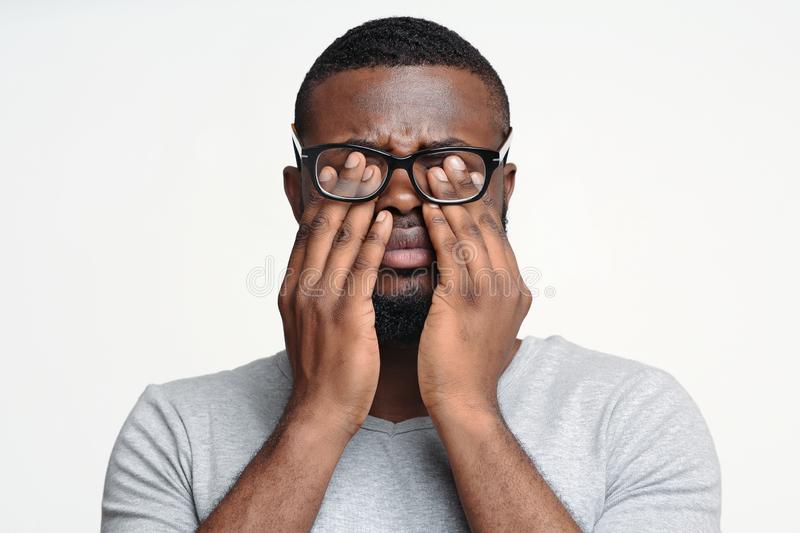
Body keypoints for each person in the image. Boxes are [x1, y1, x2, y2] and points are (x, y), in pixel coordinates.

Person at [101, 16, 721, 532]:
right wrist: (318, 413)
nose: (401, 197)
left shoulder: (634, 414)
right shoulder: (176, 427)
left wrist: (468, 408)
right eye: (353, 165)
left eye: (450, 166)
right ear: (299, 196)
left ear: (503, 192)